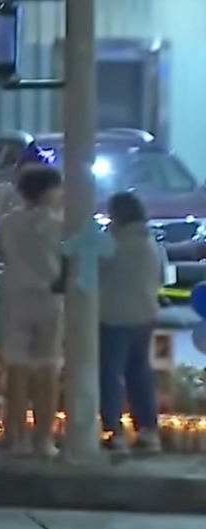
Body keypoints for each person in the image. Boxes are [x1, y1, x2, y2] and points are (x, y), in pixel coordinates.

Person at [0, 165, 65, 458]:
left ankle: (16, 438)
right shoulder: (60, 224)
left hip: (15, 299)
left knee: (17, 369)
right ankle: (43, 439)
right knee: (47, 370)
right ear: (48, 191)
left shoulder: (8, 222)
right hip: (49, 301)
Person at [98, 191, 162, 453]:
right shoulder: (152, 243)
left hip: (114, 318)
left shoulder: (112, 244)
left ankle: (114, 431)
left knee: (110, 375)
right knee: (140, 374)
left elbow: (90, 271)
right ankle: (148, 430)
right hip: (144, 316)